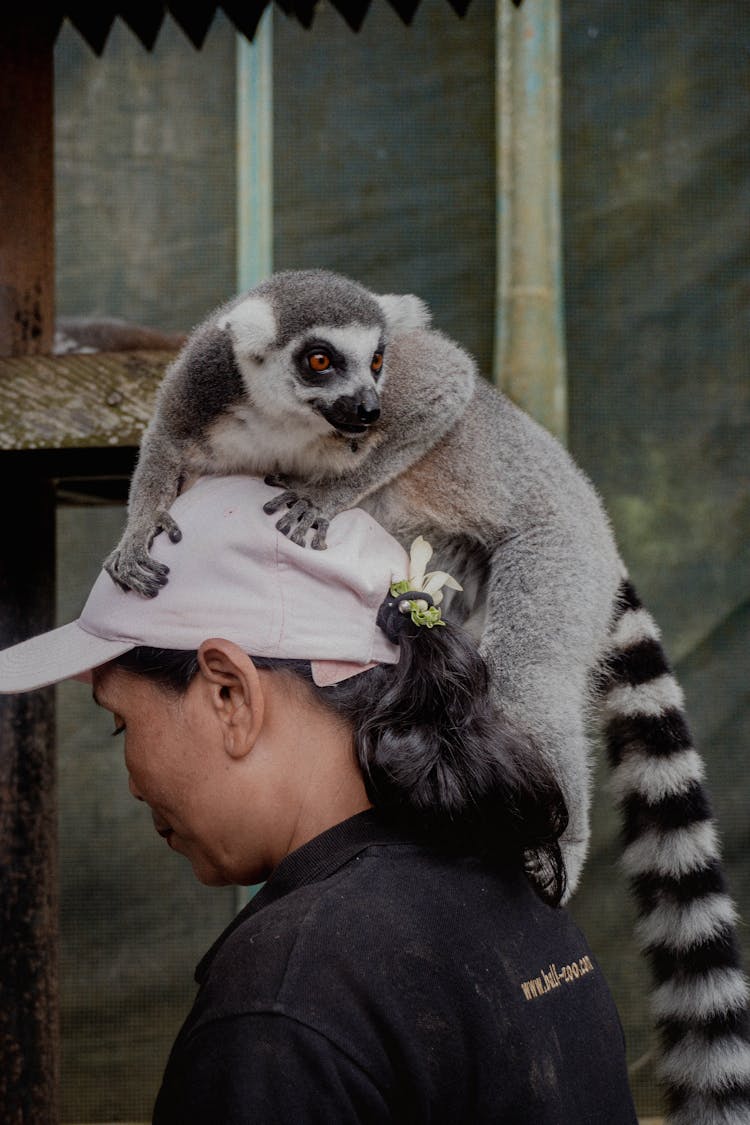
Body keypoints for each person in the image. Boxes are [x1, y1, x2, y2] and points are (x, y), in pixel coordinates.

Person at [0, 474, 638, 1123]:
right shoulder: (516, 898)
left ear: (229, 694)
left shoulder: (289, 998)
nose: (133, 782)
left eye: (120, 722)